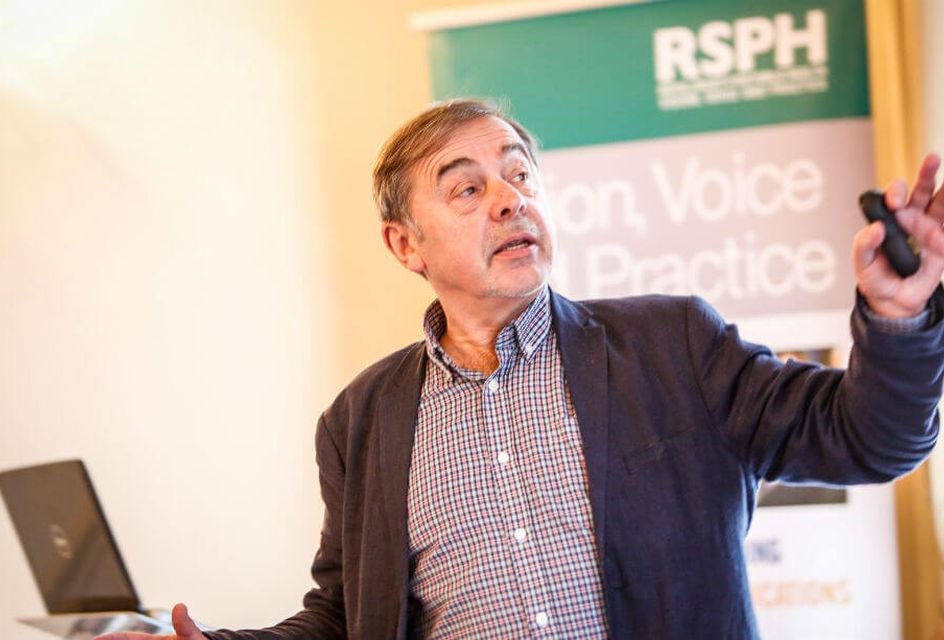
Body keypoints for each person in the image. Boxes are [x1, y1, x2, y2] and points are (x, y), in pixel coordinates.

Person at [100, 99, 944, 640]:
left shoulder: (670, 344)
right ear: (406, 246)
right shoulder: (360, 420)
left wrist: (900, 315)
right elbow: (342, 615)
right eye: (465, 191)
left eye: (518, 175)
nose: (509, 200)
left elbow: (870, 438)